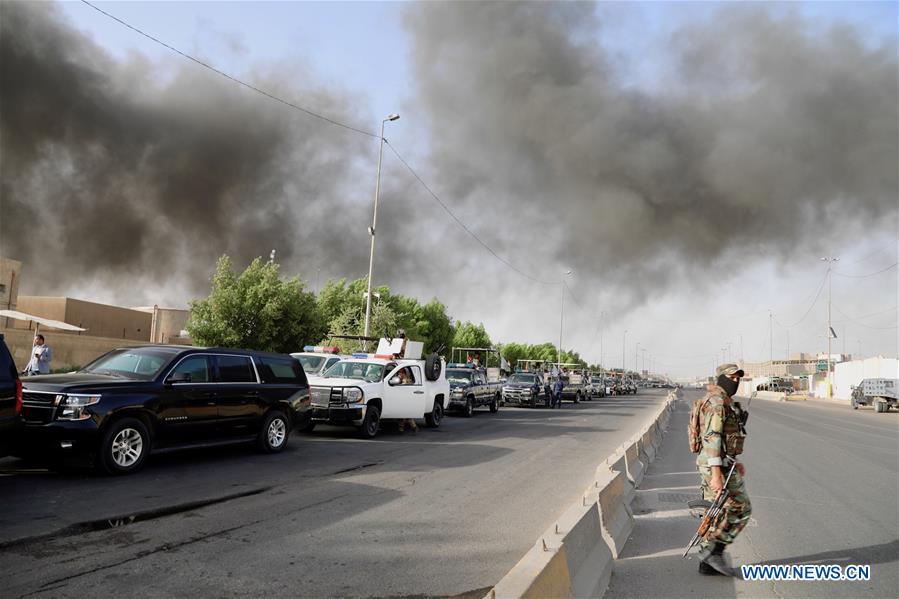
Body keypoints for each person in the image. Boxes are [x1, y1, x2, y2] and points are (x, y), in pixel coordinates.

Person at [695, 363, 751, 577]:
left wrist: (733, 462)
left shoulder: (718, 400)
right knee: (741, 508)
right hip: (715, 465)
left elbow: (721, 440)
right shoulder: (718, 403)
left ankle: (708, 562)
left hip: (720, 462)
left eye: (738, 379)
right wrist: (717, 474)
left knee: (715, 513)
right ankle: (714, 551)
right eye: (731, 378)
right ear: (721, 378)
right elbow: (712, 437)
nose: (735, 381)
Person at [395, 367, 419, 434]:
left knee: (403, 416)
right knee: (406, 416)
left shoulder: (405, 380)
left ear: (403, 373)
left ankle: (404, 429)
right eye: (399, 373)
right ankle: (413, 428)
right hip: (405, 400)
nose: (399, 374)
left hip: (405, 400)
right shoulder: (405, 379)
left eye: (400, 373)